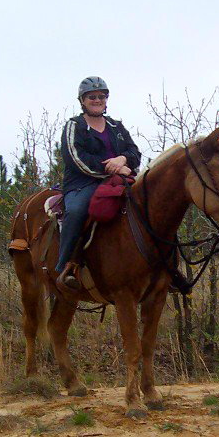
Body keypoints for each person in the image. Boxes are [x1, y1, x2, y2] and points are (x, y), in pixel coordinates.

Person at [56, 76, 142, 290]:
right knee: (76, 211)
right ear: (82, 100)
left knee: (155, 203)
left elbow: (134, 152)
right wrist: (109, 168)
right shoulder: (74, 126)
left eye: (100, 96)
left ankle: (167, 267)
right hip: (83, 183)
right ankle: (66, 265)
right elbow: (75, 158)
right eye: (91, 97)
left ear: (106, 99)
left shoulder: (116, 126)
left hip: (121, 180)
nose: (97, 100)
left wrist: (123, 160)